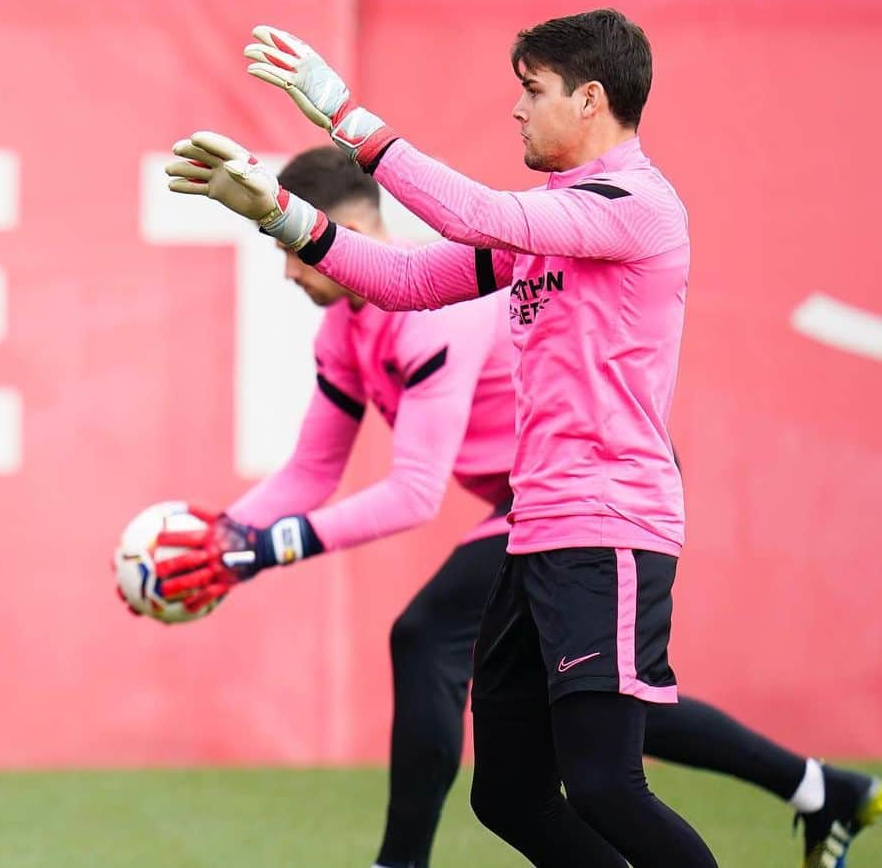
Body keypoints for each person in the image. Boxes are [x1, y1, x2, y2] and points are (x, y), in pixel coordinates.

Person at [158, 143, 880, 867]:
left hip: (588, 492)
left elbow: (414, 493)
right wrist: (229, 535)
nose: (287, 268)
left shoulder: (425, 320)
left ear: (353, 227)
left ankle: (399, 860)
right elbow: (313, 471)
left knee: (429, 636)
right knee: (596, 712)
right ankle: (822, 787)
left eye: (296, 249)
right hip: (536, 502)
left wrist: (267, 548)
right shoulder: (342, 331)